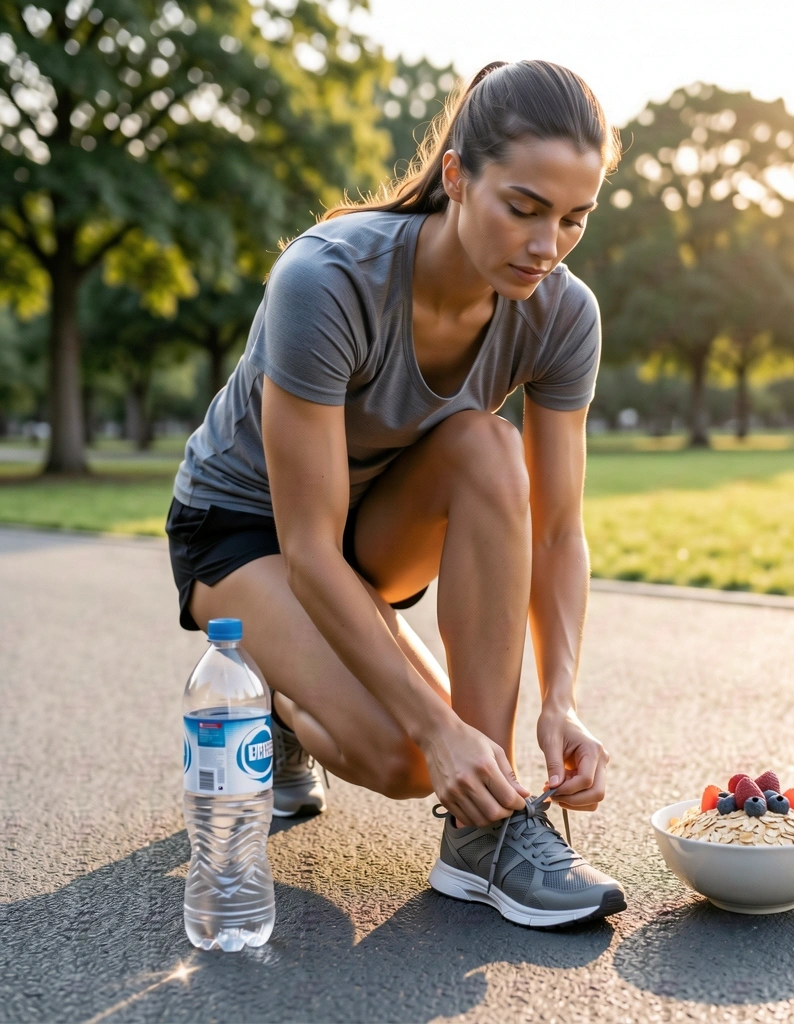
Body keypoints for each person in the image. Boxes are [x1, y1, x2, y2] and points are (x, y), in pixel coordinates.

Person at [166, 60, 625, 927]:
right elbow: (306, 545)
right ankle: (273, 693)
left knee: (489, 446)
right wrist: (438, 730)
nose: (547, 245)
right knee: (410, 753)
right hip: (248, 527)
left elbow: (558, 532)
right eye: (523, 208)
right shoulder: (328, 278)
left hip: (374, 526)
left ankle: (484, 836)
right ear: (456, 175)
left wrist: (561, 698)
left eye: (574, 219)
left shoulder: (564, 314)